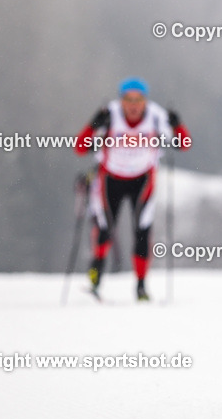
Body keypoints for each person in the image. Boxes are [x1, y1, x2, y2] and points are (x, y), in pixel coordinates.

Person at [75, 77, 190, 301]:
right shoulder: (110, 114)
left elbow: (183, 145)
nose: (134, 105)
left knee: (142, 231)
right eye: (129, 100)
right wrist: (93, 125)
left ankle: (140, 286)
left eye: (139, 100)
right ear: (121, 101)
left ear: (146, 101)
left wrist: (178, 126)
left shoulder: (156, 116)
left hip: (142, 179)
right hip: (111, 178)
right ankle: (95, 273)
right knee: (105, 229)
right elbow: (80, 148)